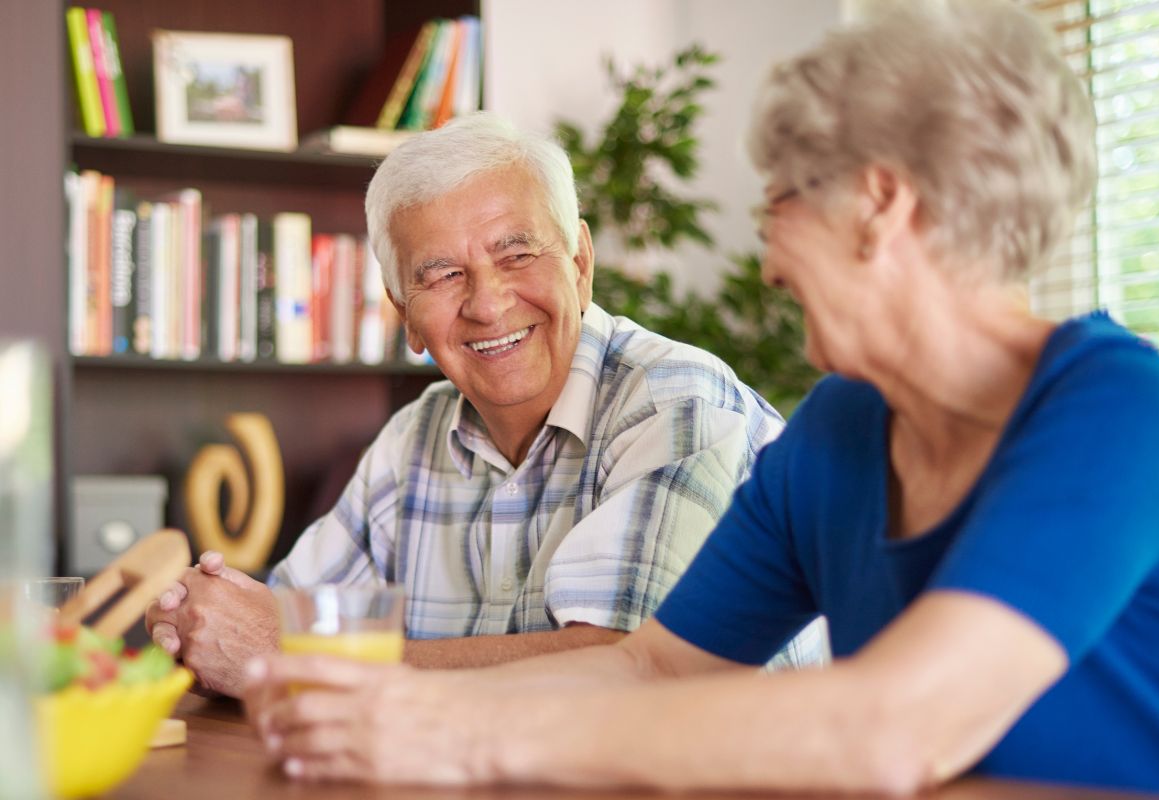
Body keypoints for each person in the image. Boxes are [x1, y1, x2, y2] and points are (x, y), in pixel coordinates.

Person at [243, 1, 1159, 795]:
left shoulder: (1113, 409)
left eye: (780, 200)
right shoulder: (840, 429)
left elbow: (898, 727)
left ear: (879, 207)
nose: (767, 254)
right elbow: (648, 665)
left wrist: (462, 739)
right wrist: (384, 711)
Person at [144, 113, 807, 699]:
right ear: (405, 314)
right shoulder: (414, 439)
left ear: (580, 263)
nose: (487, 303)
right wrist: (203, 620)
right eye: (441, 275)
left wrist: (292, 654)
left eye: (516, 254)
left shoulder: (674, 405)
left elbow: (625, 673)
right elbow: (283, 617)